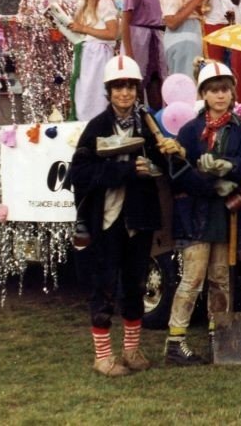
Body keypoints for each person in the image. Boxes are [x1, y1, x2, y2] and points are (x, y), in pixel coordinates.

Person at [69, 55, 184, 377]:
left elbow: (165, 168)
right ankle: (103, 357)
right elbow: (79, 173)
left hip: (139, 218)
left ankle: (131, 351)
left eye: (130, 87)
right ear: (109, 91)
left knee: (135, 284)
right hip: (105, 219)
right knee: (103, 285)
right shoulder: (96, 127)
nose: (124, 93)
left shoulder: (147, 124)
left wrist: (167, 157)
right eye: (118, 87)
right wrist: (123, 171)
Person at [164, 62, 241, 365]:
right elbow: (177, 171)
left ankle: (220, 338)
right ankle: (175, 342)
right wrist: (207, 183)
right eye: (214, 90)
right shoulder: (190, 131)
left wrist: (228, 167)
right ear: (203, 93)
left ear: (232, 93)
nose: (221, 96)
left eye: (225, 90)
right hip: (195, 214)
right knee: (192, 278)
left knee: (221, 277)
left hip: (227, 214)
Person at [68, 0, 118, 121]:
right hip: (87, 54)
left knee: (96, 93)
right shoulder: (84, 6)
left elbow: (112, 33)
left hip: (99, 56)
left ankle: (98, 122)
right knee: (84, 93)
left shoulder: (105, 3)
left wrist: (83, 28)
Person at [120, 0, 167, 110]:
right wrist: (128, 52)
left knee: (157, 82)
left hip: (156, 40)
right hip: (138, 39)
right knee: (135, 81)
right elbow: (125, 21)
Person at [159, 0, 215, 78]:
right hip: (183, 42)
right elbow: (171, 21)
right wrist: (196, 0)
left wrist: (200, 1)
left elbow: (187, 8)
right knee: (185, 83)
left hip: (189, 39)